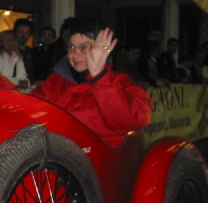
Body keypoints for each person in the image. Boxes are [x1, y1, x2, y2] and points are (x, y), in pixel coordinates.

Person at [32, 18, 152, 148]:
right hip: (57, 155)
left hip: (101, 157)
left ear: (103, 49)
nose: (75, 55)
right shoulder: (55, 81)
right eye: (71, 47)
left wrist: (100, 77)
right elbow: (31, 112)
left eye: (84, 47)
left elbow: (131, 121)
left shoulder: (122, 82)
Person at [13, 18, 35, 84]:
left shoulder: (32, 52)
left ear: (30, 35)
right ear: (14, 32)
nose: (23, 35)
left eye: (26, 32)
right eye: (20, 32)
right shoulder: (8, 51)